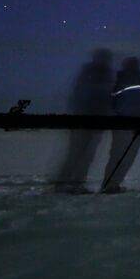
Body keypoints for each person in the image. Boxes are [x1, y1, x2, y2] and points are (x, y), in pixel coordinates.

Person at [52, 49, 113, 193]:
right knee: (77, 153)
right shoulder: (91, 73)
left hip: (94, 119)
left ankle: (74, 182)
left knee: (84, 154)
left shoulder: (101, 73)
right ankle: (66, 182)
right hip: (86, 119)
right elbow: (84, 94)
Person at [100, 56, 140, 194]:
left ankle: (111, 183)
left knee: (122, 154)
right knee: (122, 154)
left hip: (132, 123)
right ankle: (111, 184)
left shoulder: (128, 79)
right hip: (127, 122)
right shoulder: (131, 80)